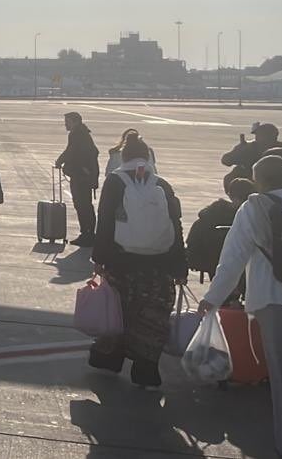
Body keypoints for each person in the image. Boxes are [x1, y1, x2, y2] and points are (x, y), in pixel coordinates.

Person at [199, 155, 282, 458]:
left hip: (276, 301)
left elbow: (232, 259)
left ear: (259, 179)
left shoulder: (254, 208)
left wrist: (213, 297)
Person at [89, 131, 186, 388]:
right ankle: (146, 369)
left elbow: (106, 222)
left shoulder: (115, 181)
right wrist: (179, 266)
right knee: (152, 317)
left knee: (118, 313)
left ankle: (109, 359)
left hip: (123, 262)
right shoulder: (162, 184)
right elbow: (175, 226)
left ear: (124, 156)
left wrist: (99, 257)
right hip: (158, 264)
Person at [54, 111, 101, 247]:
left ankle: (87, 234)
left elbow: (71, 151)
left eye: (67, 122)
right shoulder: (83, 133)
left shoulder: (77, 134)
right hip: (85, 175)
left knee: (82, 205)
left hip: (81, 177)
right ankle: (89, 233)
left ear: (75, 121)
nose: (65, 125)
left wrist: (60, 161)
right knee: (85, 205)